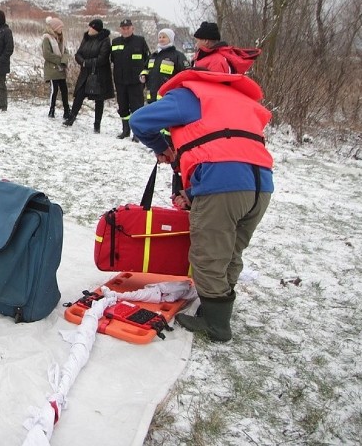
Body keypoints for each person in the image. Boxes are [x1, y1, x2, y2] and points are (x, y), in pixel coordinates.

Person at [129, 21, 272, 342]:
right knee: (231, 251)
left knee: (207, 255)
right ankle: (216, 307)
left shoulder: (191, 95)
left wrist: (162, 148)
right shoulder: (245, 101)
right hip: (262, 183)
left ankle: (217, 325)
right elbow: (227, 143)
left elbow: (139, 120)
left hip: (223, 183)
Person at [65, 19, 113, 132]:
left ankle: (97, 125)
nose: (89, 29)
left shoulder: (105, 40)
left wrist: (87, 63)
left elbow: (103, 58)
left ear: (96, 29)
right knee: (79, 95)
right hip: (85, 72)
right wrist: (83, 62)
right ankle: (71, 118)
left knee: (99, 100)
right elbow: (78, 54)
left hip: (99, 74)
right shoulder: (86, 38)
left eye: (91, 27)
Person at [110, 19, 149, 139]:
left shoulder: (140, 41)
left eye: (128, 28)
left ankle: (137, 133)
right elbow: (112, 59)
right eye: (123, 28)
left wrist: (144, 74)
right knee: (123, 106)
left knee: (136, 107)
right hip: (120, 80)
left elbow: (147, 59)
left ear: (132, 28)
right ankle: (125, 130)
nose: (125, 30)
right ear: (120, 29)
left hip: (135, 81)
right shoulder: (115, 42)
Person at [141, 28, 189, 104]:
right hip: (152, 97)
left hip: (168, 97)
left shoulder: (177, 55)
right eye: (160, 37)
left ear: (170, 39)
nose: (161, 39)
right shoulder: (153, 56)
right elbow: (145, 69)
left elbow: (186, 73)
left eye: (164, 37)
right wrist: (143, 75)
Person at [42, 16, 71, 119]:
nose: (61, 29)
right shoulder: (47, 38)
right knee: (54, 90)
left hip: (61, 69)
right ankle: (52, 109)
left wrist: (64, 60)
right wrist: (60, 60)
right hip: (52, 69)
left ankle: (67, 110)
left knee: (64, 90)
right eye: (60, 27)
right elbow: (47, 54)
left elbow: (66, 52)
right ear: (54, 27)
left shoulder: (60, 38)